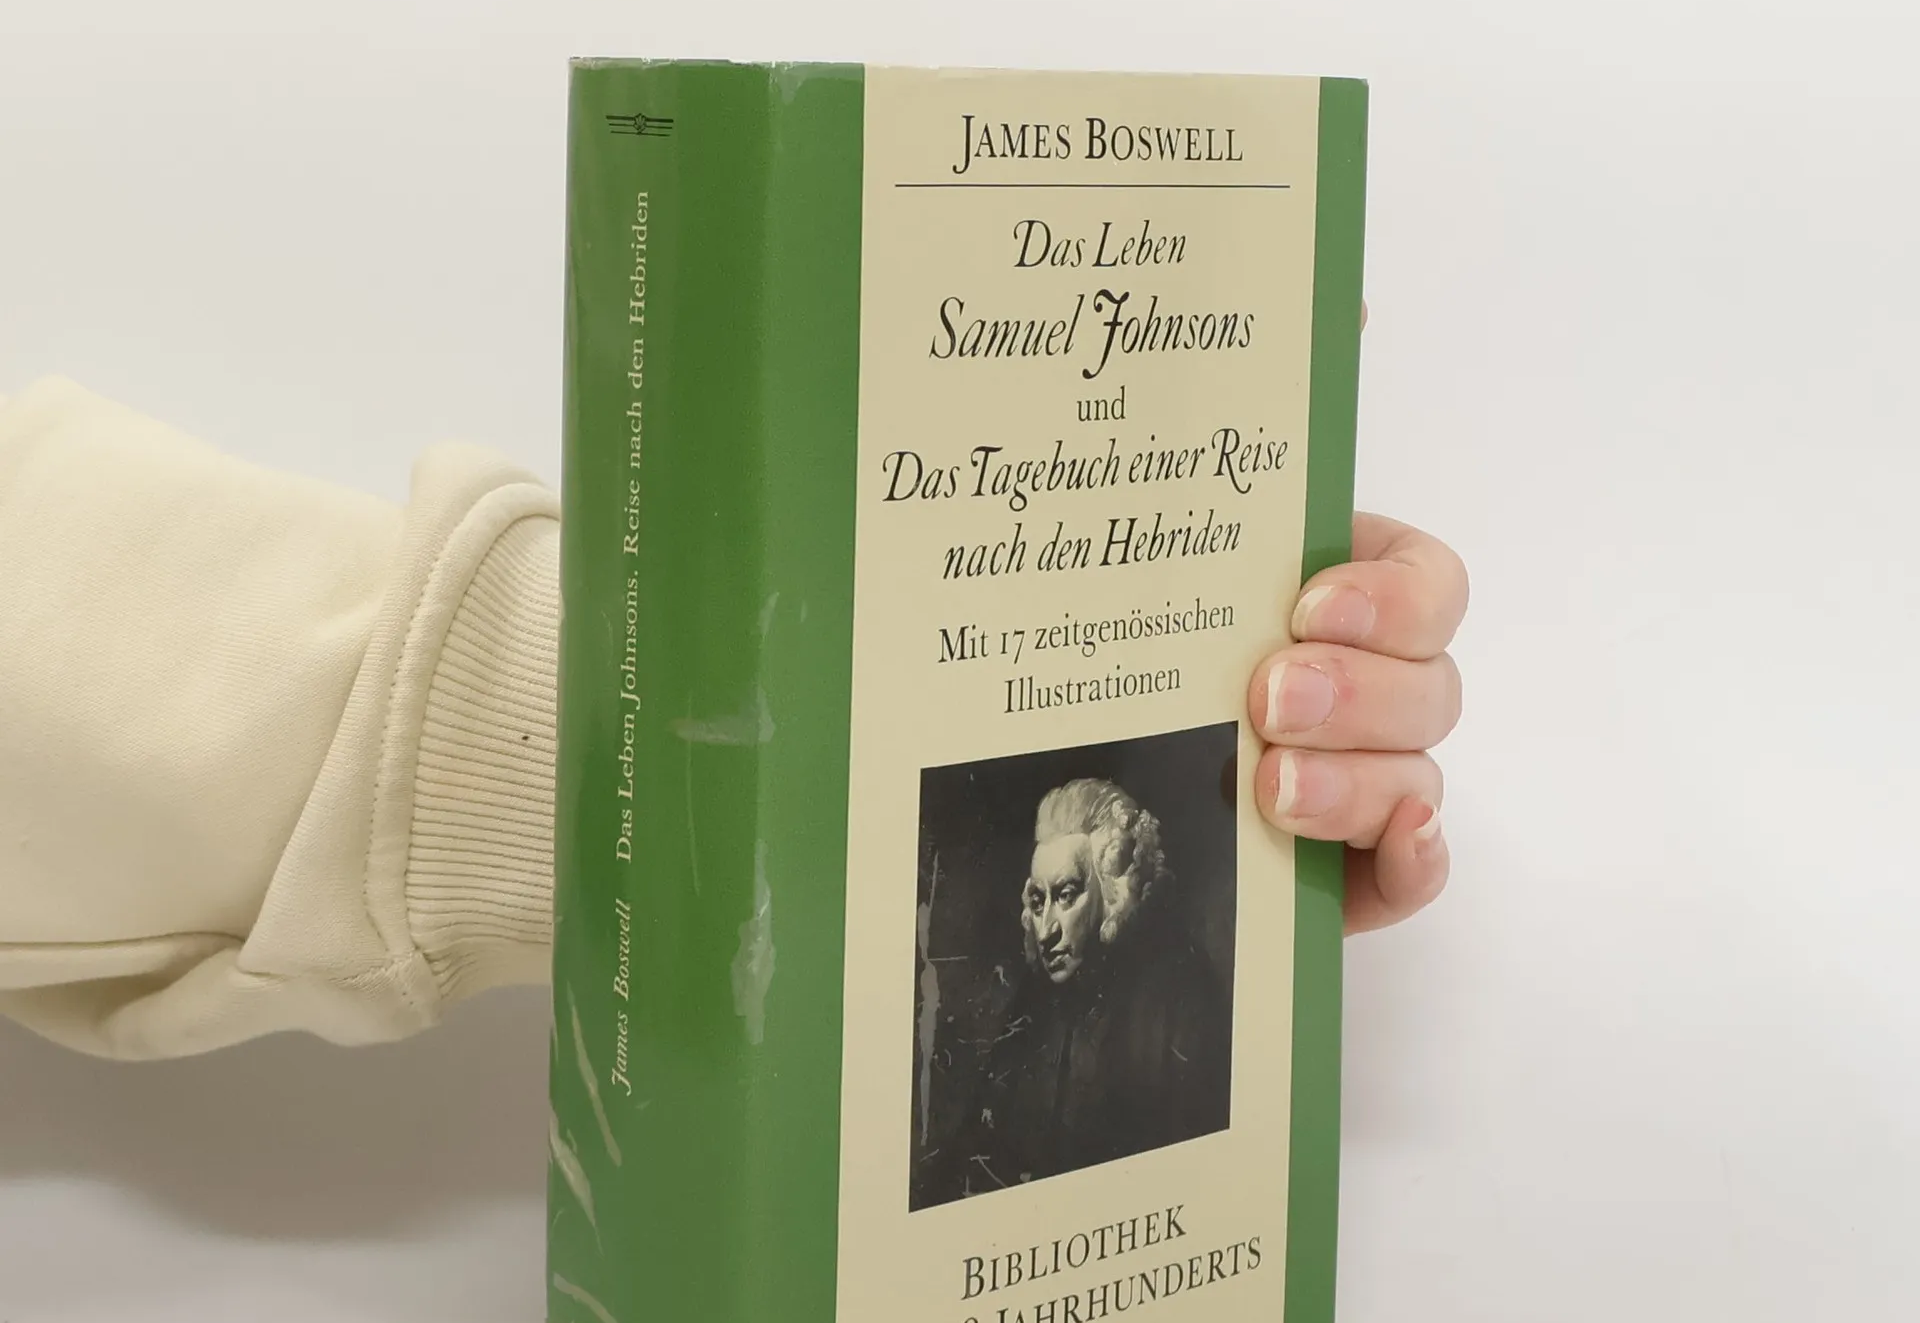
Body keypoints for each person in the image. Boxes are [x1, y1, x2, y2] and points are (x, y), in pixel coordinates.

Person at [0, 375, 1466, 1062]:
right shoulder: (995, 1030)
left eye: (1063, 893)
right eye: (1035, 891)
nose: (1034, 916)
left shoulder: (1146, 1028)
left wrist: (1145, 633)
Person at [918, 777, 1233, 1206]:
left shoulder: (1178, 1000)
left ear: (1112, 890)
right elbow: (974, 1147)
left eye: (1067, 895)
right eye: (1038, 902)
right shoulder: (1035, 1002)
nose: (1046, 930)